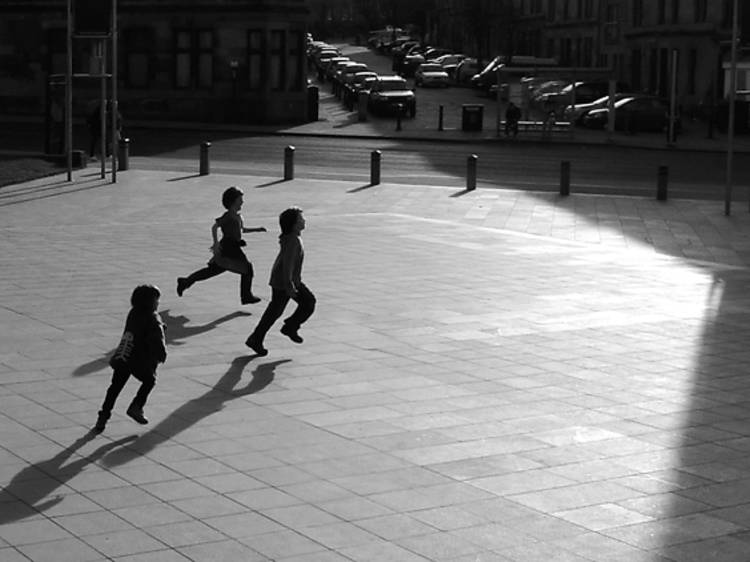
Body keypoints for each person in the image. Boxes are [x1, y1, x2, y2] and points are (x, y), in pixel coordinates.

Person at [94, 285, 167, 433]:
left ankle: (103, 417)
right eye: (157, 300)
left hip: (124, 355)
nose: (158, 303)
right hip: (139, 359)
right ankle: (136, 406)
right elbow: (156, 338)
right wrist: (161, 354)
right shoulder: (153, 317)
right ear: (151, 301)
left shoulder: (133, 312)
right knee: (149, 381)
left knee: (114, 388)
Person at [245, 207, 316, 356]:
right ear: (294, 224)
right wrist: (289, 284)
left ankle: (257, 338)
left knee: (275, 311)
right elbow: (288, 264)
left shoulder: (291, 238)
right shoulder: (293, 241)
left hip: (284, 279)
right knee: (308, 302)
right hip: (285, 281)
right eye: (301, 219)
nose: (304, 221)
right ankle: (289, 326)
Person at [177, 187, 266, 305]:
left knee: (213, 270)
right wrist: (215, 243)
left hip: (233, 246)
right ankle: (246, 296)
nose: (242, 202)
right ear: (233, 201)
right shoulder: (228, 216)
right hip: (228, 247)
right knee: (247, 268)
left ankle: (185, 282)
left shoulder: (238, 216)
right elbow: (214, 227)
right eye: (240, 199)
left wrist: (257, 229)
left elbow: (242, 230)